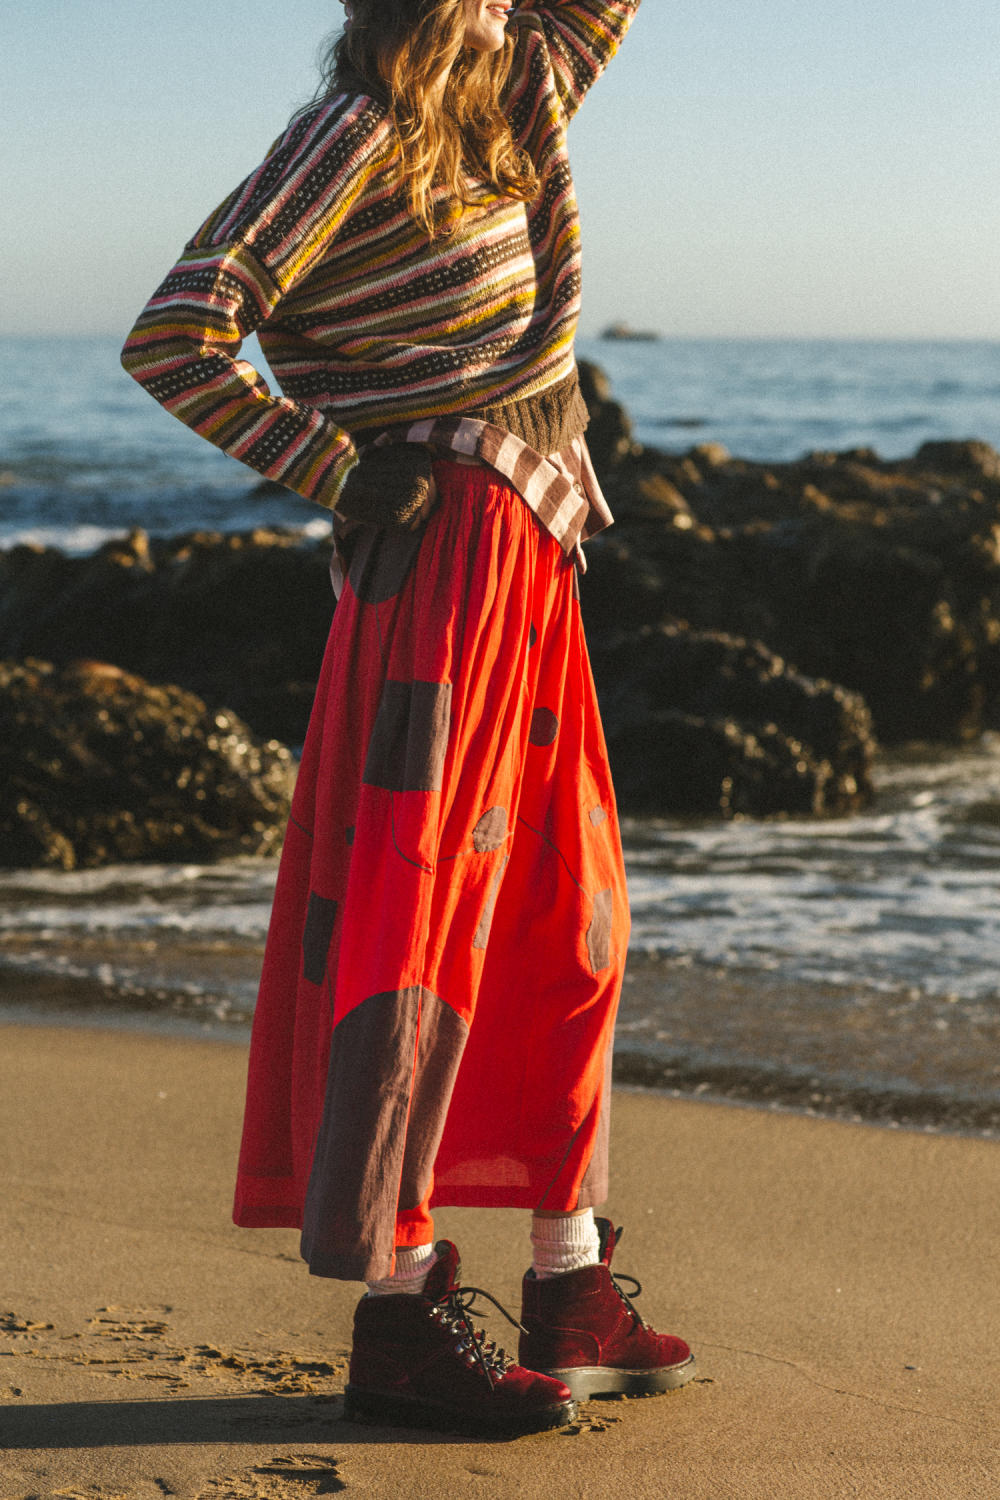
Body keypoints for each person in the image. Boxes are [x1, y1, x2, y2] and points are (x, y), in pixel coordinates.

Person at [122, 0, 694, 1437]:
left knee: (567, 922)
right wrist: (325, 466)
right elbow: (177, 334)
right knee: (414, 928)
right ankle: (397, 1305)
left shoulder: (521, 98)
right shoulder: (348, 134)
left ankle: (570, 1277)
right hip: (438, 579)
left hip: (533, 554)